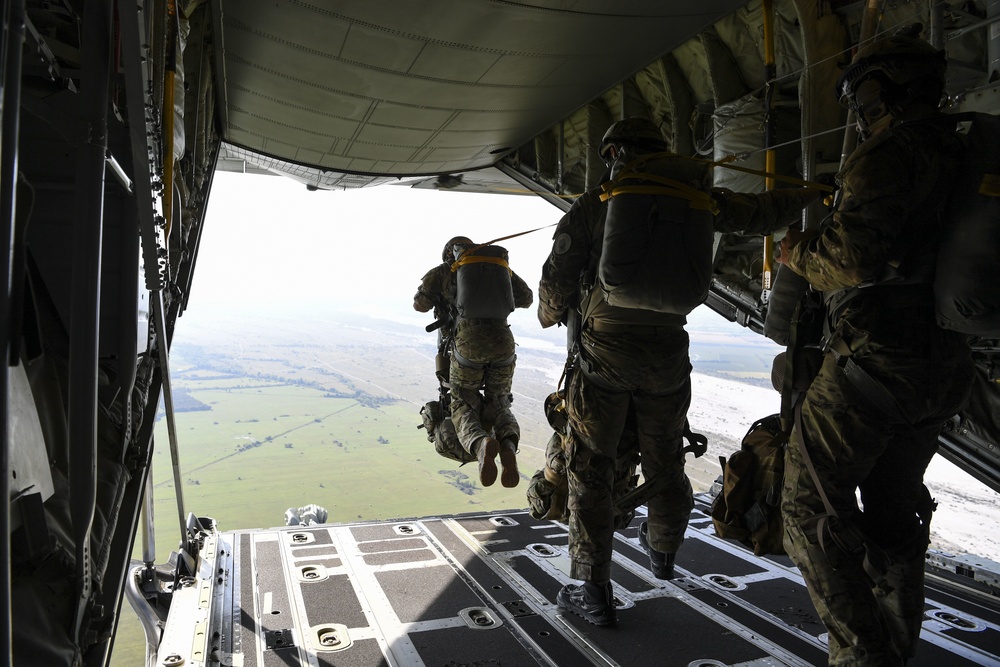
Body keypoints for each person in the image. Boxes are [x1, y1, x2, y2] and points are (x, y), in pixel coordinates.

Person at [539, 117, 821, 626]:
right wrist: (813, 193)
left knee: (590, 465)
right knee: (665, 459)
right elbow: (761, 213)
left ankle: (589, 587)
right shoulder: (697, 197)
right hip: (668, 353)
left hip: (604, 355)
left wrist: (549, 313)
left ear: (614, 153)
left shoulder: (598, 203)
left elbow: (556, 281)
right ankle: (663, 552)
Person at [776, 27, 975, 666]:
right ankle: (894, 643)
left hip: (876, 364)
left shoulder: (890, 152)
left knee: (807, 511)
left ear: (877, 92)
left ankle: (863, 657)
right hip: (947, 368)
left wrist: (796, 252)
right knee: (894, 512)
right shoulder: (969, 151)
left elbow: (853, 258)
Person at [414, 236, 533, 488]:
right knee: (499, 400)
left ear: (450, 255)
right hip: (504, 342)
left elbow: (419, 305)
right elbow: (526, 298)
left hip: (468, 344)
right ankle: (508, 446)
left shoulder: (445, 271)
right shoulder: (498, 269)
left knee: (462, 399)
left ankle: (480, 445)